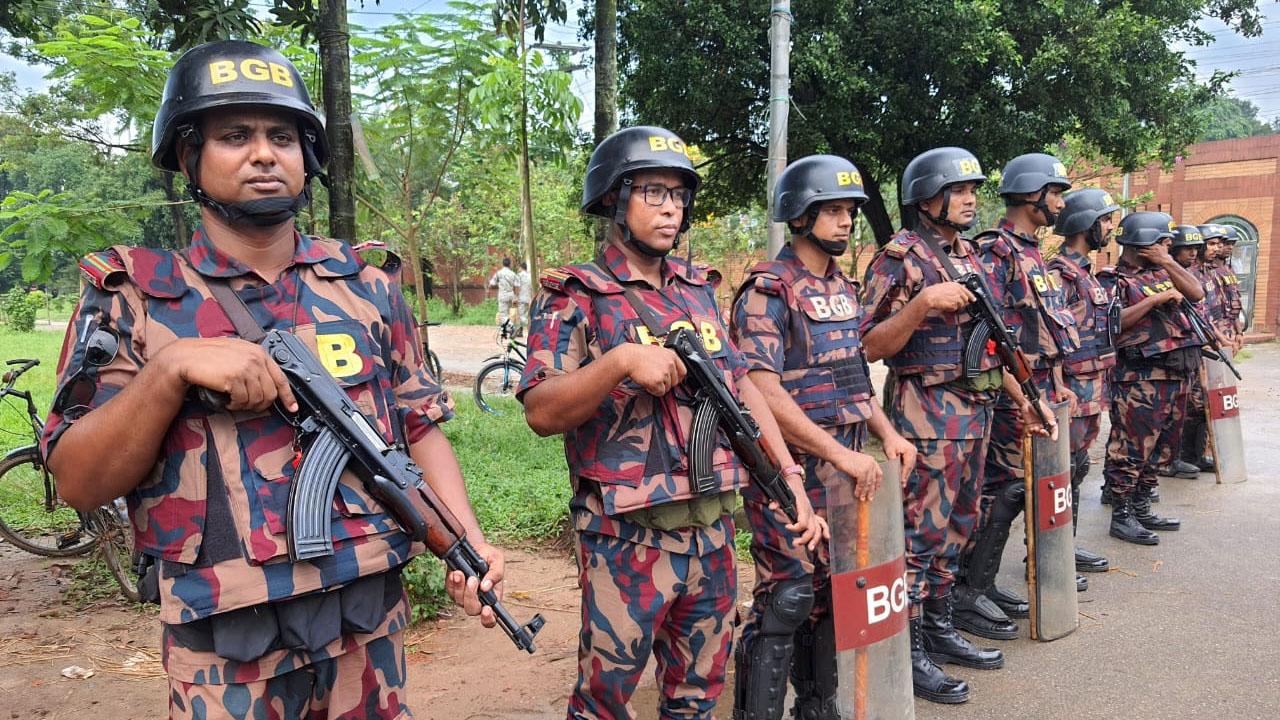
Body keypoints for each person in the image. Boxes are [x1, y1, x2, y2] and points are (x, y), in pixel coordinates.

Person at [40, 41, 503, 719]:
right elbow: (76, 481)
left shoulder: (367, 288)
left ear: (307, 158)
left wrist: (468, 542)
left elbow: (419, 426)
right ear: (188, 153)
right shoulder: (133, 297)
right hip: (227, 642)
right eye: (234, 136)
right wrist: (169, 371)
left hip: (365, 622)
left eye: (282, 136)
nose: (263, 154)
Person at [518, 126, 823, 720]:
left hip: (712, 533)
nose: (670, 208)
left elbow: (743, 388)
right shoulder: (575, 294)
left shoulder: (699, 290)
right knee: (605, 701)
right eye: (652, 192)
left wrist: (789, 476)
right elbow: (542, 410)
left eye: (679, 196)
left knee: (697, 697)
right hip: (628, 540)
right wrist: (620, 362)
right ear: (614, 197)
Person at [729, 154, 917, 719]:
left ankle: (818, 707)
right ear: (799, 216)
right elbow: (760, 389)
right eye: (832, 211)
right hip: (787, 470)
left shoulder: (841, 286)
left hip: (844, 469)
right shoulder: (769, 290)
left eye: (850, 211)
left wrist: (887, 434)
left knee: (835, 593)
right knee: (787, 596)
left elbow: (854, 373)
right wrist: (838, 453)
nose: (845, 222)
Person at [862, 147, 1042, 704]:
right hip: (928, 413)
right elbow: (867, 345)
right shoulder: (900, 259)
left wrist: (1023, 398)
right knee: (919, 534)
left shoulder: (971, 256)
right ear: (927, 198)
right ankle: (908, 646)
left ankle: (939, 629)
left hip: (978, 410)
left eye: (972, 191)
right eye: (958, 191)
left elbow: (992, 347)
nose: (970, 200)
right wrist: (920, 305)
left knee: (957, 527)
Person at [1098, 212, 1204, 545]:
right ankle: (1122, 514)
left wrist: (1166, 262)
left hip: (1175, 373)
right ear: (1144, 241)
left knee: (1163, 446)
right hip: (1139, 379)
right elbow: (1112, 324)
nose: (1169, 246)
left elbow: (1196, 292)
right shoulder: (1111, 279)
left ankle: (1142, 505)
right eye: (1163, 241)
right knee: (1131, 448)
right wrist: (1155, 300)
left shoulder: (1165, 272)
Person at [1047, 188, 1119, 578]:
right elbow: (1050, 338)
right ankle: (1048, 552)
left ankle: (1065, 545)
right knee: (1061, 472)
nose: (1109, 227)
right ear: (1084, 224)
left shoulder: (1085, 273)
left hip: (1094, 387)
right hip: (1073, 389)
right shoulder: (1060, 274)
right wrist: (1059, 384)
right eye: (1104, 220)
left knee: (1077, 470)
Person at [1167, 225, 1227, 477]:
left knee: (1199, 406)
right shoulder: (1167, 275)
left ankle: (1195, 455)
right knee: (1174, 411)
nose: (1193, 253)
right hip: (1174, 353)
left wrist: (1216, 336)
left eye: (1196, 248)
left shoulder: (1194, 275)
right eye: (1187, 248)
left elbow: (1203, 312)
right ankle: (1171, 459)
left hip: (1196, 350)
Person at [490, 256, 520, 325]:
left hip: (502, 296)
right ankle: (505, 331)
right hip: (511, 296)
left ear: (502, 264)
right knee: (507, 314)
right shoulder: (513, 274)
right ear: (510, 264)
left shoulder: (498, 273)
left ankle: (512, 328)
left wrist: (489, 289)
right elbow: (517, 287)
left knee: (503, 315)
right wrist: (516, 297)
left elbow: (492, 284)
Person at [516, 260, 532, 333]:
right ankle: (520, 331)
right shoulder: (530, 276)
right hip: (528, 298)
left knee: (521, 315)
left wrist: (515, 297)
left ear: (521, 267)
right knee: (523, 314)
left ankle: (531, 325)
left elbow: (517, 287)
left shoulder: (518, 276)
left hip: (521, 298)